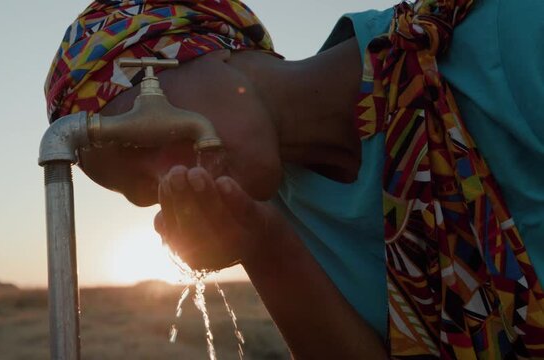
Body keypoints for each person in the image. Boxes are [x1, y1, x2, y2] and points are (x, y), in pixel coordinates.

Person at [44, 0, 544, 358]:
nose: (170, 175)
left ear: (188, 50)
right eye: (142, 191)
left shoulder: (507, 35)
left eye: (143, 136)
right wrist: (263, 247)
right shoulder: (275, 217)